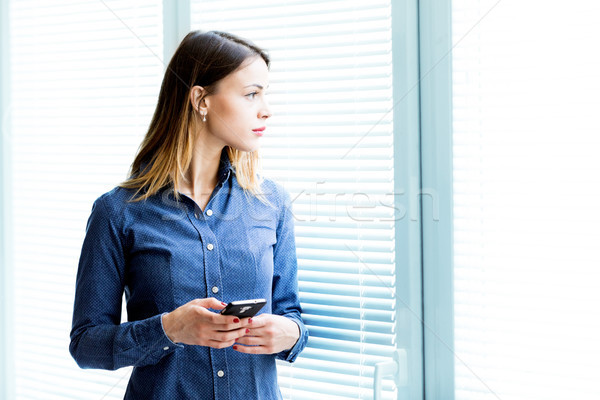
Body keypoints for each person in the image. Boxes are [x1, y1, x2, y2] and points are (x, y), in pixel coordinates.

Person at [69, 30, 308, 400]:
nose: (266, 109)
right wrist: (169, 329)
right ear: (201, 99)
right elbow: (86, 345)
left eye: (264, 93)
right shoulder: (117, 212)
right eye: (251, 94)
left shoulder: (272, 203)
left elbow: (291, 313)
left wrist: (291, 334)